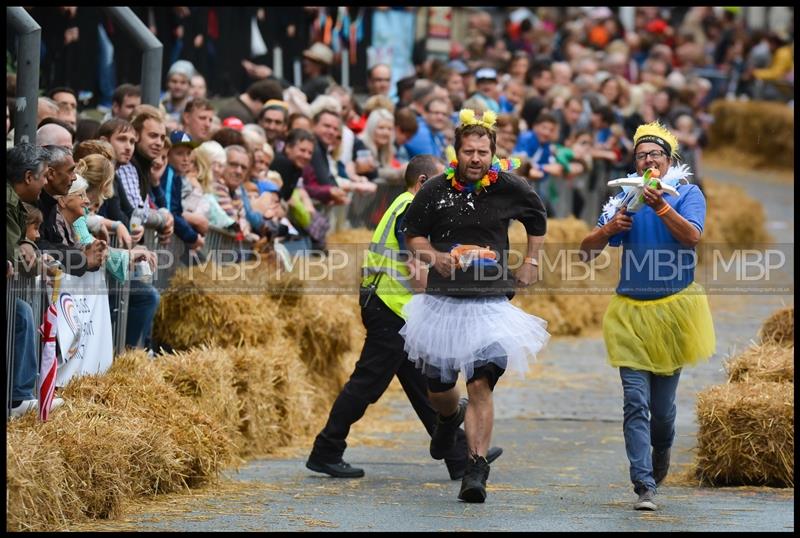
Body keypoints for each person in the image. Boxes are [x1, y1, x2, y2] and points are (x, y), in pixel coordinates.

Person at [306, 154, 504, 479]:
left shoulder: (403, 205)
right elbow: (416, 270)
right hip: (391, 308)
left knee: (425, 386)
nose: (449, 190)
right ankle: (326, 449)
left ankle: (458, 456)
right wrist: (449, 303)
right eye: (443, 183)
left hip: (393, 307)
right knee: (367, 383)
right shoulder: (412, 209)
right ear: (424, 183)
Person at [400, 109, 550, 503]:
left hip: (490, 302)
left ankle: (475, 469)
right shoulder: (435, 189)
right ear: (457, 151)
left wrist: (531, 261)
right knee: (440, 388)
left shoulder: (508, 187)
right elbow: (410, 234)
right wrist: (434, 257)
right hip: (442, 304)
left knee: (481, 382)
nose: (476, 159)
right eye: (469, 151)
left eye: (483, 151)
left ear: (493, 152)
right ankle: (448, 419)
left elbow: (537, 219)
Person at [578, 121, 715, 511]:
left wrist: (662, 206)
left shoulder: (688, 193)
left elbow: (692, 236)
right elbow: (585, 252)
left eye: (655, 154)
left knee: (663, 412)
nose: (649, 160)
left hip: (673, 310)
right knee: (635, 401)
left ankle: (661, 452)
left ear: (669, 160)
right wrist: (608, 231)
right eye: (641, 156)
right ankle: (643, 483)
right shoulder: (625, 199)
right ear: (635, 164)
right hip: (630, 312)